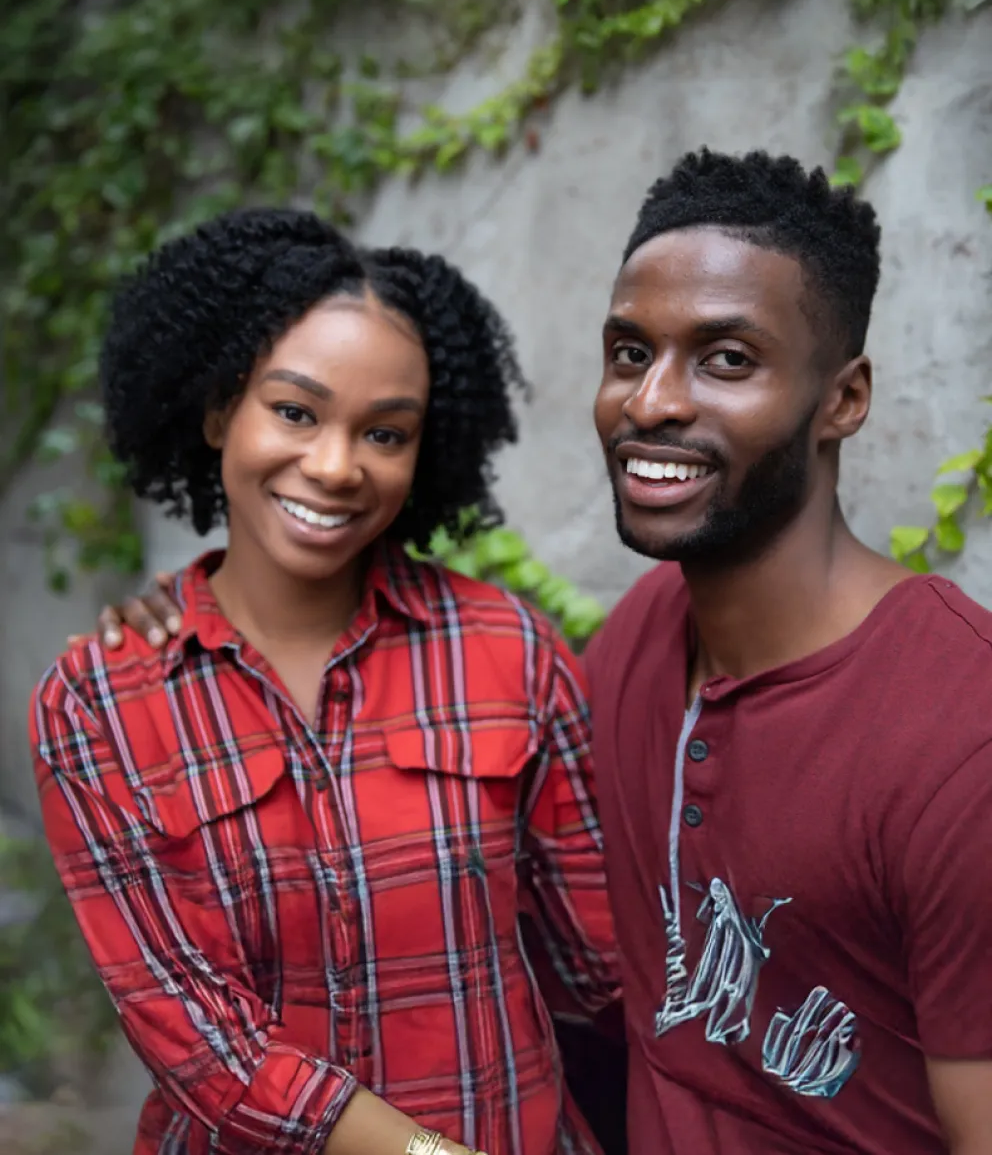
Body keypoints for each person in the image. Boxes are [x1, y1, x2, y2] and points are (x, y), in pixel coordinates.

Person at [30, 210, 620, 1155]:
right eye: (295, 412)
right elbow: (198, 1044)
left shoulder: (508, 651)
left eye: (385, 433)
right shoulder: (102, 702)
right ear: (221, 409)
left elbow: (606, 966)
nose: (338, 466)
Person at [586, 148, 992, 1153]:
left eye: (725, 359)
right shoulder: (633, 639)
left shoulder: (959, 740)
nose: (649, 402)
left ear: (841, 400)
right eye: (630, 352)